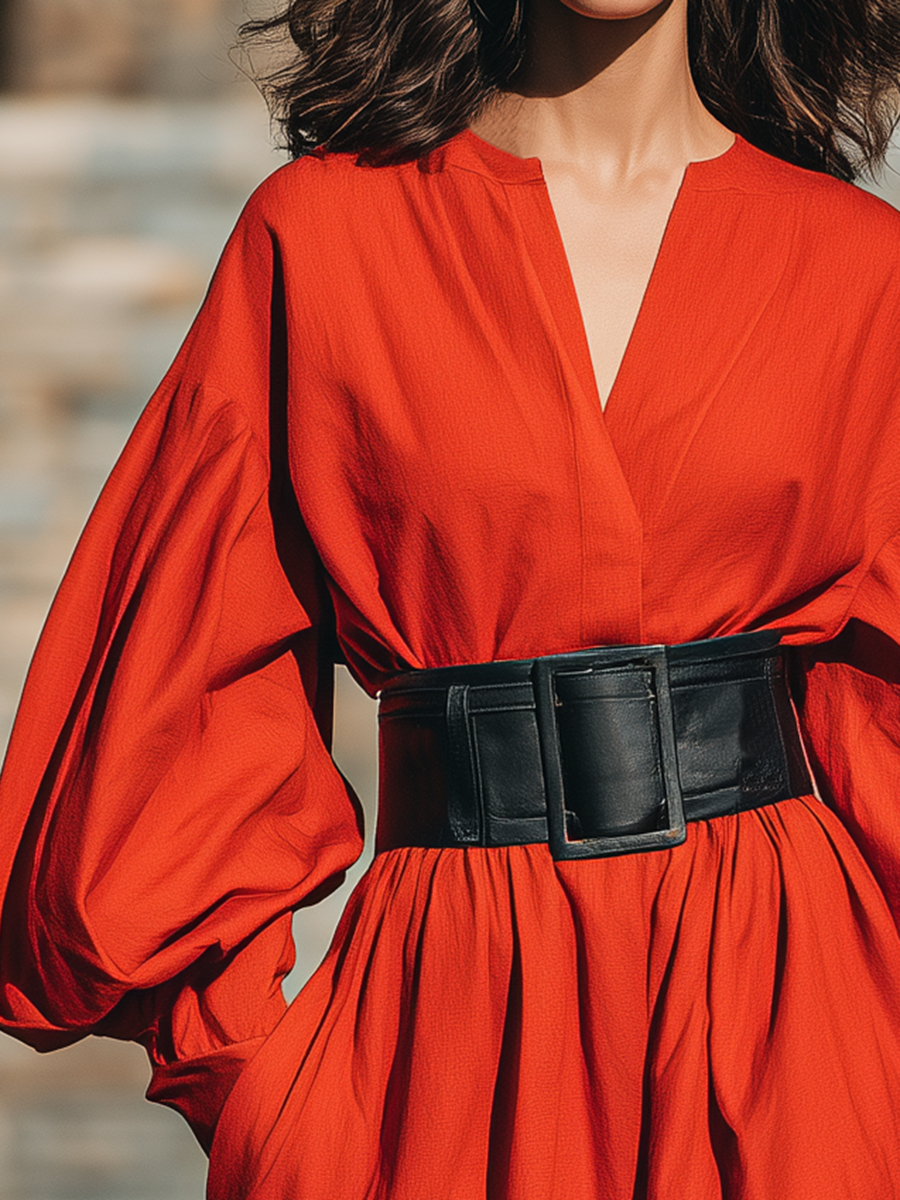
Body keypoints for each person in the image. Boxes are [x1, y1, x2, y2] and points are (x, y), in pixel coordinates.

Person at [2, 0, 900, 1194]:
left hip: (790, 1017)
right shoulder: (323, 237)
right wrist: (252, 1077)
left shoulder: (855, 263)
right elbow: (181, 670)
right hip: (447, 1028)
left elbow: (876, 718)